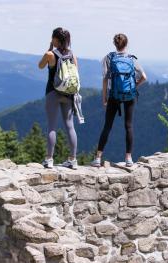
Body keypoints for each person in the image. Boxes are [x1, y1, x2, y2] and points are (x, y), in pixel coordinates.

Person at [91, 33, 147, 167]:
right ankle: (128, 158)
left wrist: (104, 98)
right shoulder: (132, 59)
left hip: (114, 96)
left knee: (107, 126)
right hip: (129, 95)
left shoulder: (108, 58)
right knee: (129, 126)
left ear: (114, 44)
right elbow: (144, 77)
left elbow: (105, 79)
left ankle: (98, 158)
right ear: (126, 44)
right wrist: (134, 87)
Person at [38, 27, 79, 169]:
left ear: (56, 39)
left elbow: (40, 66)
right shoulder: (72, 55)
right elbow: (75, 74)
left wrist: (49, 49)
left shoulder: (50, 54)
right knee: (70, 126)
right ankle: (73, 160)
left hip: (53, 92)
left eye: (52, 37)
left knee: (51, 126)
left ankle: (49, 159)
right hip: (68, 93)